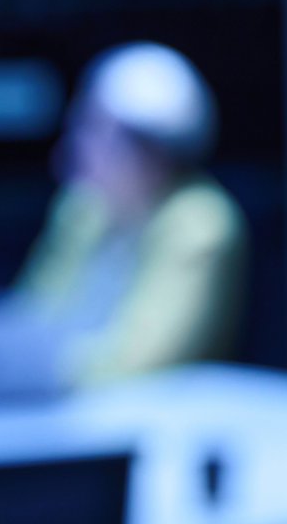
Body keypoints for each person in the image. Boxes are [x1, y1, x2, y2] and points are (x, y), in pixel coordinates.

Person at [18, 43, 245, 387]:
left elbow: (142, 360)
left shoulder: (199, 221)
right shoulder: (83, 210)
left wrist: (39, 372)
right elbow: (32, 323)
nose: (80, 144)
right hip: (65, 401)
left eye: (99, 131)